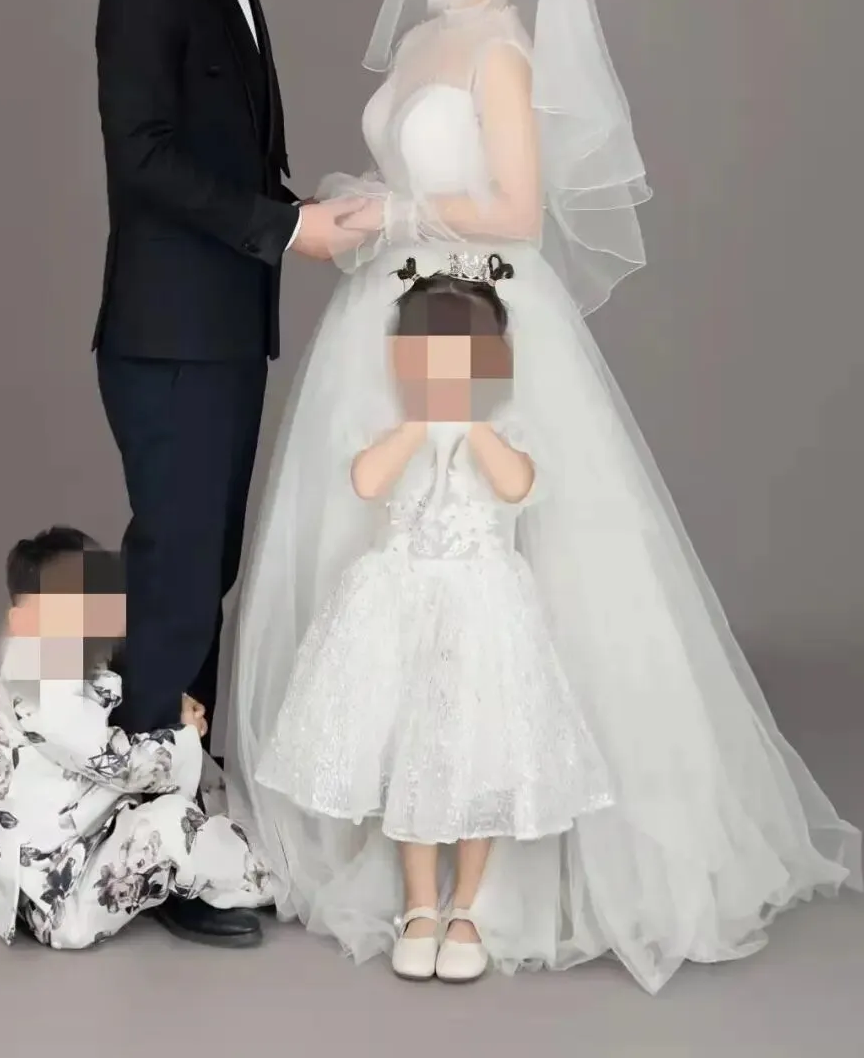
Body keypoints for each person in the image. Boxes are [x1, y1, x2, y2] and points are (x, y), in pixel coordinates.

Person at [227, 0, 862, 993]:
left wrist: (399, 215)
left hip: (478, 312)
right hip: (389, 313)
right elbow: (420, 170)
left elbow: (516, 210)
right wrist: (372, 210)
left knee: (499, 574)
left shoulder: (503, 52)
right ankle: (390, 837)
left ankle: (495, 878)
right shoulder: (427, 38)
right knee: (376, 563)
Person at [91, 0, 355, 947]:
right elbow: (142, 160)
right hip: (169, 336)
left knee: (205, 574)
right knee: (178, 580)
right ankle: (150, 848)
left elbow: (230, 157)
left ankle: (183, 808)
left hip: (219, 328)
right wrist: (285, 229)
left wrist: (308, 212)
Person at [254, 256, 614, 981]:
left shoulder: (504, 426)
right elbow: (367, 481)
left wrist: (472, 422)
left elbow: (516, 485)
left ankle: (467, 908)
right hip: (400, 604)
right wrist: (419, 422)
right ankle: (420, 905)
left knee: (479, 748)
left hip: (480, 607)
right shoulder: (395, 424)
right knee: (408, 749)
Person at [0, 527, 270, 951]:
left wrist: (170, 709)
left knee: (202, 778)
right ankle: (273, 879)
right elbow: (115, 762)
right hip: (59, 898)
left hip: (73, 847)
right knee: (172, 823)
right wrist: (184, 734)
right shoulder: (39, 691)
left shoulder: (52, 659)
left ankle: (240, 845)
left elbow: (106, 702)